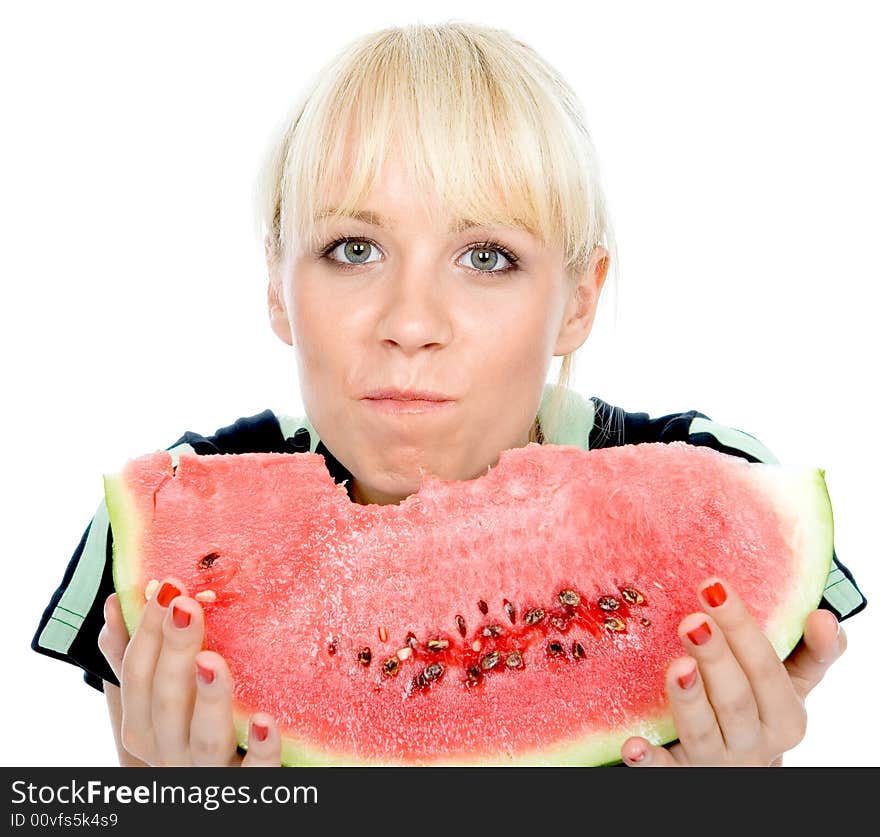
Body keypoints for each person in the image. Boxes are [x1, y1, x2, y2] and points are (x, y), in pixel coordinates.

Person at [32, 21, 866, 767]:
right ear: (278, 287)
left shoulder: (718, 474)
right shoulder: (173, 520)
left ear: (580, 298)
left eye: (487, 256)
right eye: (354, 249)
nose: (411, 322)